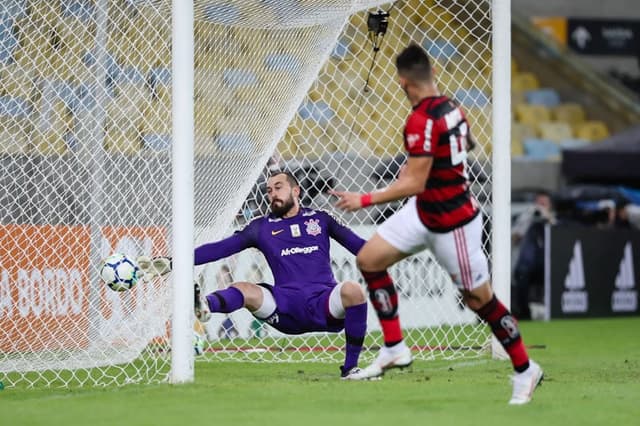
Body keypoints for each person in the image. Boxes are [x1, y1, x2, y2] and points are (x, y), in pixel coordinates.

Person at [330, 43, 544, 403]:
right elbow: (454, 154)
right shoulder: (453, 108)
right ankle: (395, 345)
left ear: (402, 82)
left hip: (453, 223)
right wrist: (420, 165)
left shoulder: (419, 118)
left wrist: (363, 199)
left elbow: (415, 182)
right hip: (424, 211)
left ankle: (525, 369)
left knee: (479, 300)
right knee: (369, 259)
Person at [193, 171, 369, 380]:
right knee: (244, 288)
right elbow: (220, 249)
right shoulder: (260, 227)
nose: (272, 194)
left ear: (296, 191)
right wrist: (177, 260)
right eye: (269, 190)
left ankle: (350, 369)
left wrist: (394, 249)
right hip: (285, 308)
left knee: (354, 290)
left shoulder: (320, 219)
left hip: (324, 304)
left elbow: (362, 248)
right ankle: (205, 305)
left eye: (278, 187)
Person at [511, 191, 556, 320]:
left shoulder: (552, 219)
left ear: (550, 206)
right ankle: (524, 312)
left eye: (544, 204)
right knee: (522, 273)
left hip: (549, 264)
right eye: (538, 203)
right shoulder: (526, 218)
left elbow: (560, 238)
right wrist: (528, 220)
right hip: (528, 265)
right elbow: (514, 238)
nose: (540, 207)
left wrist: (548, 218)